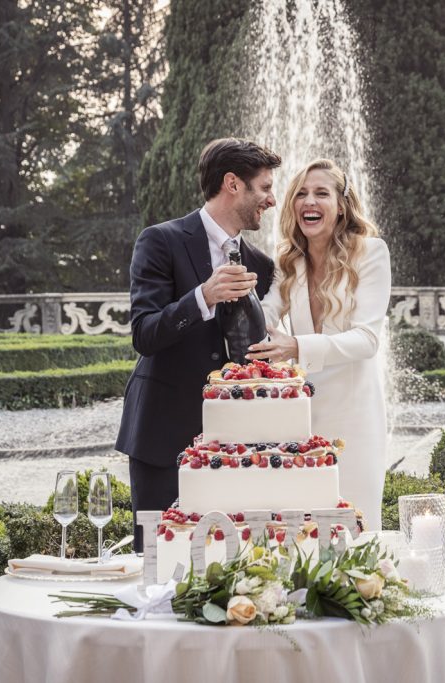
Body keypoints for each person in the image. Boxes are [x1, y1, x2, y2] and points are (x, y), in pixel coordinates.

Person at [115, 138, 281, 551]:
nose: (272, 200)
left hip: (235, 442)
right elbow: (144, 334)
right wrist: (202, 297)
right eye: (264, 188)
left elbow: (251, 354)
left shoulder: (260, 265)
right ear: (232, 184)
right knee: (156, 560)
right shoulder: (160, 241)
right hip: (164, 435)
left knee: (227, 560)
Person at [248, 158, 391, 530]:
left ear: (341, 205)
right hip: (300, 418)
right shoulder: (289, 261)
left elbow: (367, 339)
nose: (309, 202)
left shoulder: (371, 253)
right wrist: (232, 302)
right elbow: (263, 317)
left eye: (321, 193)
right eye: (301, 194)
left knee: (355, 526)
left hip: (355, 416)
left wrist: (294, 346)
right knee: (304, 529)